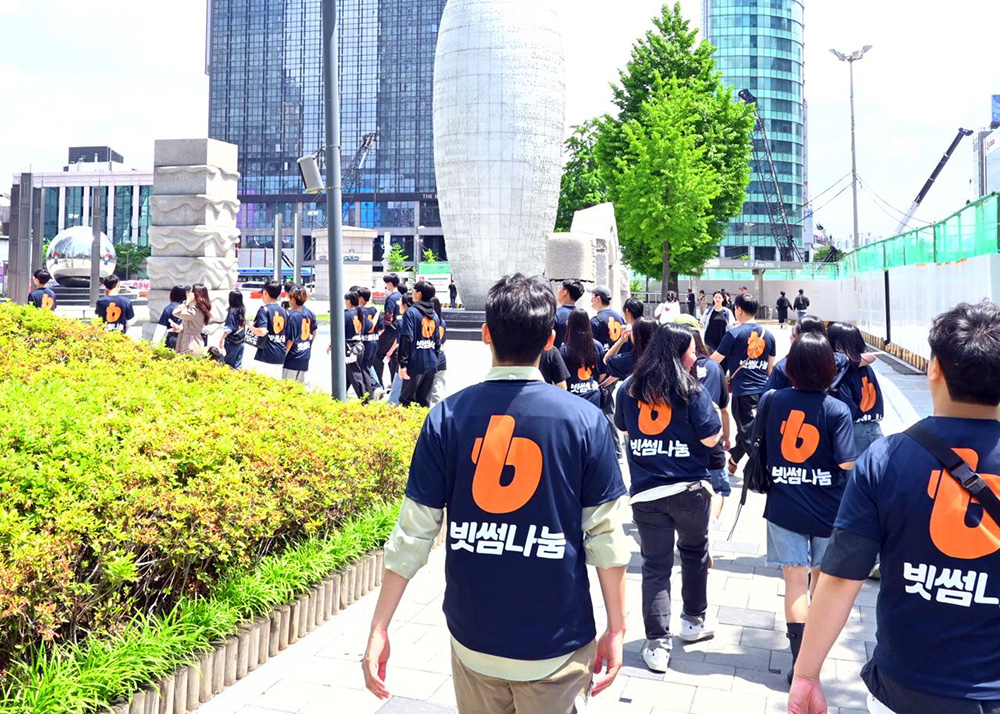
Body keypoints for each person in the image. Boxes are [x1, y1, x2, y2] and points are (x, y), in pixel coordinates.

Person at [789, 300, 1000, 714]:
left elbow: (839, 578)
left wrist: (807, 674)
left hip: (903, 687)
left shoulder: (885, 459)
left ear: (933, 368)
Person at [614, 323, 723, 672]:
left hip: (647, 493)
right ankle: (693, 622)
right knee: (694, 555)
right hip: (690, 490)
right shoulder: (692, 390)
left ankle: (657, 643)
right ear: (677, 353)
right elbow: (710, 439)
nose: (695, 356)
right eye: (691, 351)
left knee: (655, 567)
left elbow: (625, 429)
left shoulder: (628, 388)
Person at [756, 332, 856, 684]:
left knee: (794, 583)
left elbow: (762, 446)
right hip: (829, 510)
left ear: (792, 366)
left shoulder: (773, 400)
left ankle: (799, 665)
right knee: (822, 584)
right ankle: (815, 660)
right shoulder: (836, 409)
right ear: (829, 368)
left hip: (784, 505)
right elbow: (847, 464)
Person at [711, 292, 776, 475]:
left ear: (738, 309)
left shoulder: (734, 334)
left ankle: (762, 472)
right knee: (749, 429)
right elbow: (770, 369)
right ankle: (733, 459)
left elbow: (713, 361)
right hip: (763, 391)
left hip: (743, 392)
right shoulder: (769, 336)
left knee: (749, 433)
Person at [683, 324, 733, 528]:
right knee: (718, 489)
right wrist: (727, 436)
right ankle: (709, 525)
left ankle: (693, 530)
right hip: (712, 437)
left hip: (684, 441)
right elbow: (724, 408)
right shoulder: (714, 367)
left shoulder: (674, 370)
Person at [828, 322, 885, 456]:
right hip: (874, 428)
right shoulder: (866, 368)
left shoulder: (842, 372)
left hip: (853, 432)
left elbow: (844, 406)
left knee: (851, 476)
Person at [397, 281, 441, 407]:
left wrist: (403, 363)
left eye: (414, 291)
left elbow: (406, 338)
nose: (412, 294)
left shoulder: (411, 312)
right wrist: (435, 361)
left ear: (419, 294)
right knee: (424, 400)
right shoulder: (435, 316)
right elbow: (437, 343)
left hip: (415, 362)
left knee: (406, 400)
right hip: (431, 362)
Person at [561, 308, 605, 407]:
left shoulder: (564, 349)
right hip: (594, 398)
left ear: (570, 325)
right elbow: (603, 374)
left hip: (572, 400)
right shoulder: (597, 346)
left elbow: (560, 379)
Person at [250, 280, 288, 377]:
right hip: (281, 355)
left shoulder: (264, 310)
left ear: (265, 292)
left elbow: (262, 331)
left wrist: (251, 327)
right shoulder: (284, 311)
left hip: (266, 355)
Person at [604, 317, 657, 384]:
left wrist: (621, 340)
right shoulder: (662, 358)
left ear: (636, 336)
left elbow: (606, 359)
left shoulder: (627, 360)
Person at [283, 285, 317, 383]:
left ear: (293, 299)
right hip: (305, 355)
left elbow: (290, 339)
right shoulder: (310, 313)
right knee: (301, 388)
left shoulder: (292, 316)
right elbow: (314, 332)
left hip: (292, 357)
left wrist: (283, 355)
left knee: (287, 388)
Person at [374, 273, 402, 386]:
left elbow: (388, 316)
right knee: (394, 359)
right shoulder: (401, 296)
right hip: (399, 331)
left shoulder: (391, 298)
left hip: (390, 331)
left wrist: (382, 328)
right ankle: (394, 384)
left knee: (378, 355)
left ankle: (378, 384)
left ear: (390, 283)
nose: (386, 286)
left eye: (386, 284)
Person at [172, 284, 212, 356]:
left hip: (190, 343)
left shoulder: (196, 311)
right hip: (191, 340)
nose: (189, 294)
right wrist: (180, 328)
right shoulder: (199, 309)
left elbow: (176, 312)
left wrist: (187, 301)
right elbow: (192, 324)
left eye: (191, 292)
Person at [357, 286, 382, 396]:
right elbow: (381, 328)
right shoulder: (374, 309)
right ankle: (376, 387)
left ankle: (374, 388)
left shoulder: (360, 311)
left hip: (365, 342)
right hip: (375, 340)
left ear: (361, 298)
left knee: (364, 367)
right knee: (369, 366)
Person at [428, 297, 448, 407]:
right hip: (440, 358)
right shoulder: (440, 321)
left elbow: (438, 341)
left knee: (436, 392)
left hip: (436, 358)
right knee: (437, 389)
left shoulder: (437, 322)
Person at [218, 290, 246, 369]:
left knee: (227, 364)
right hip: (241, 340)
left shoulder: (232, 311)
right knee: (237, 365)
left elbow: (229, 328)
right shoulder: (242, 310)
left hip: (232, 342)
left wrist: (222, 339)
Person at [554, 280, 584, 349]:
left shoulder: (556, 314)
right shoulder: (583, 315)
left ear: (565, 292)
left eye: (559, 288)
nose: (558, 291)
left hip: (558, 357)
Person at [156, 285, 186, 350]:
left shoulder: (169, 308)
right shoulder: (188, 308)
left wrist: (154, 344)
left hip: (172, 339)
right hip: (186, 340)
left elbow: (161, 328)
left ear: (172, 295)